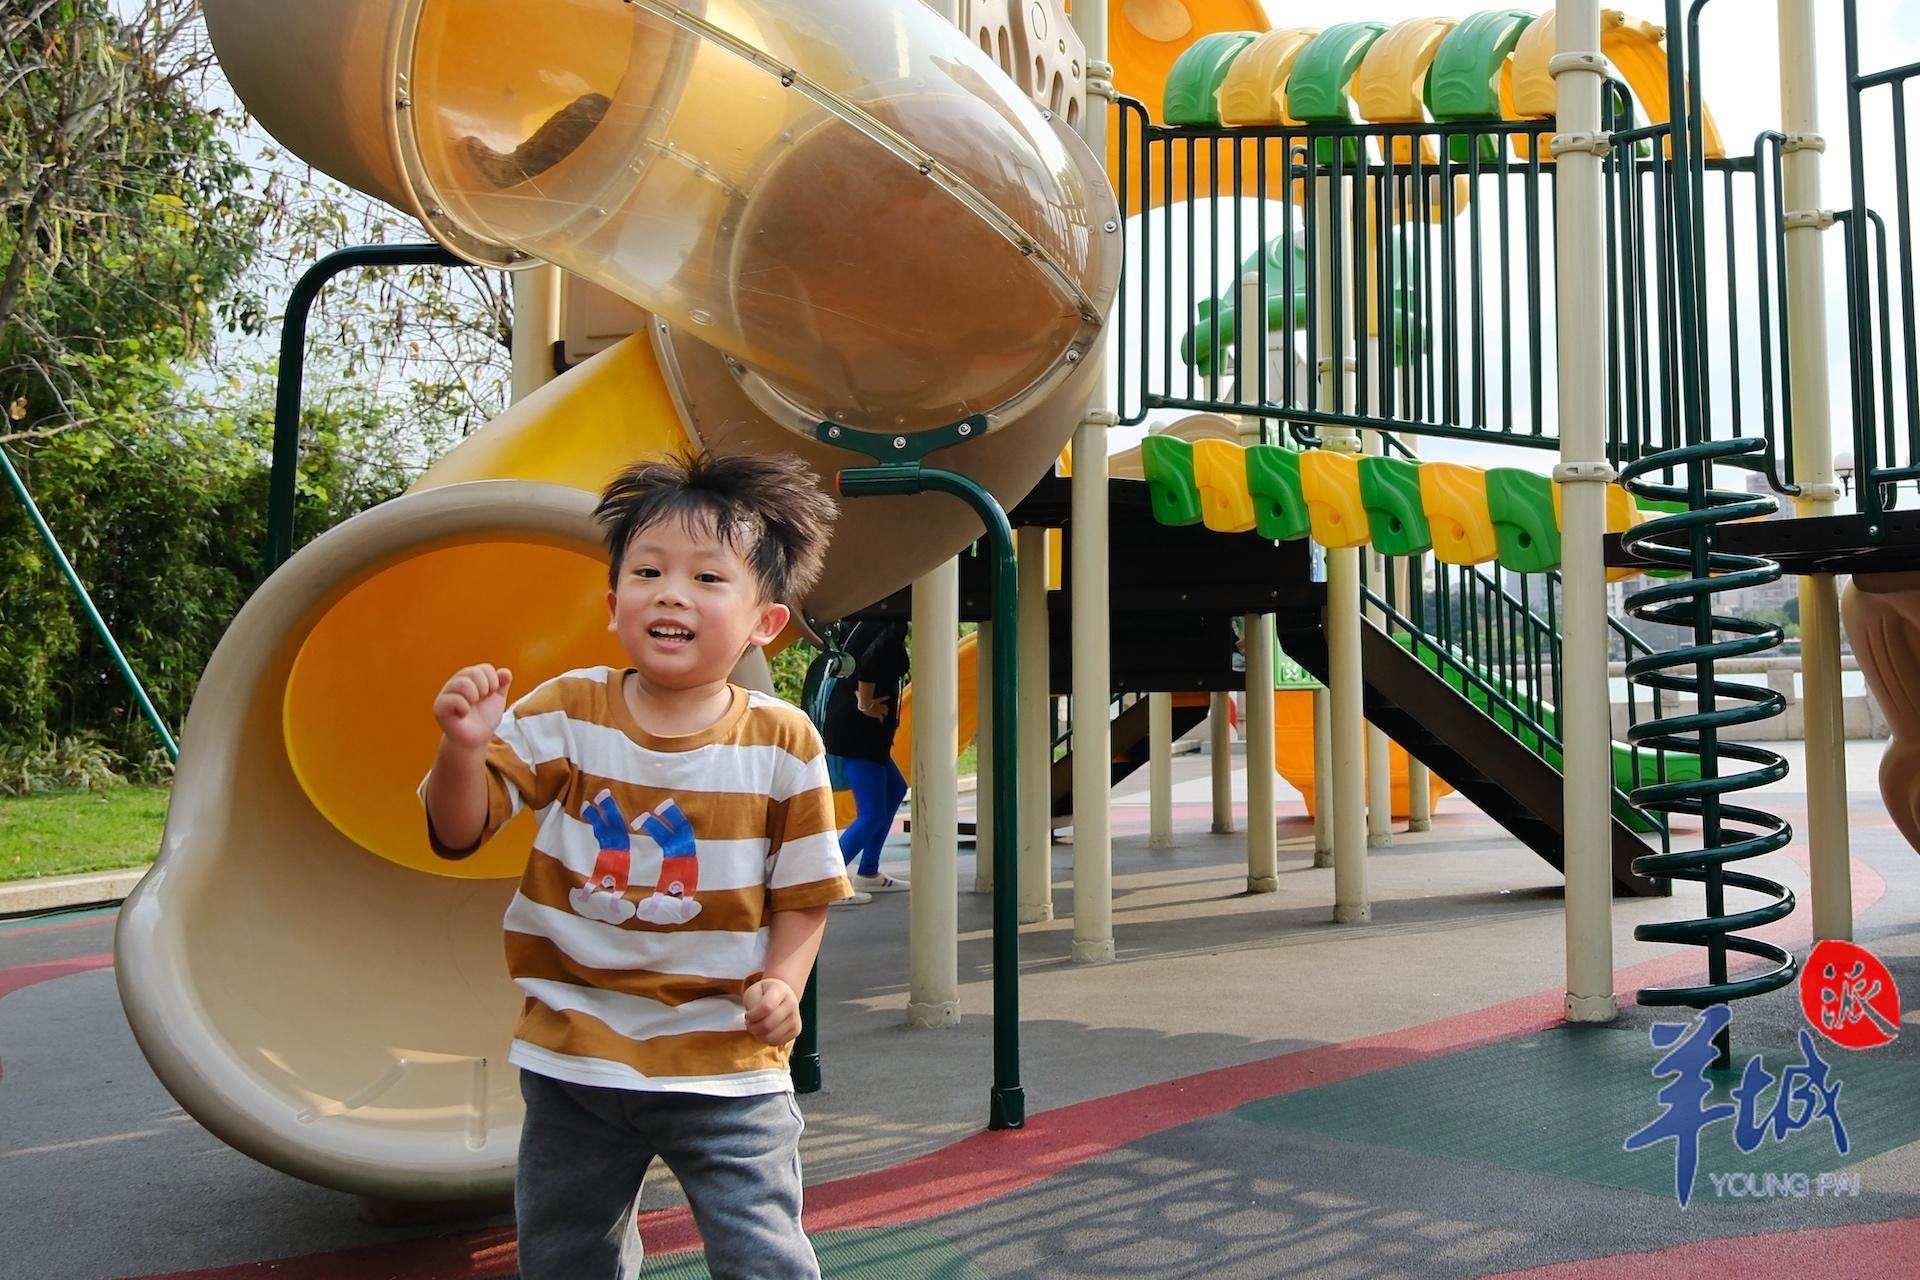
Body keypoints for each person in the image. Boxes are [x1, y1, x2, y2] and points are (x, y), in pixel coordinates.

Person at [422, 450, 850, 1280]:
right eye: (647, 572)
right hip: (577, 1054)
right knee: (566, 1252)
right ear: (614, 604)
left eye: (707, 578)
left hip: (725, 1059)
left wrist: (783, 984)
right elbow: (458, 829)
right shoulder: (567, 711)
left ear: (765, 622)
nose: (671, 594)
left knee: (762, 1252)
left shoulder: (782, 741)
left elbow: (806, 891)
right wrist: (463, 751)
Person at [821, 619, 913, 899]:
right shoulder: (886, 619)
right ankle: (825, 883)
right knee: (872, 813)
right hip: (861, 728)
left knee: (894, 788)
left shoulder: (859, 618)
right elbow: (870, 662)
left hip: (856, 725)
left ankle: (868, 871)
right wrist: (866, 702)